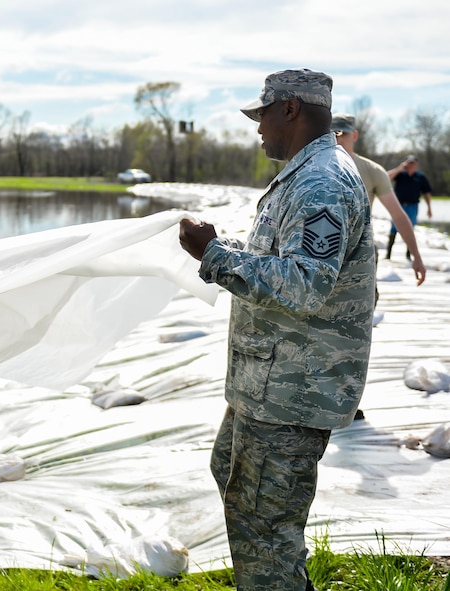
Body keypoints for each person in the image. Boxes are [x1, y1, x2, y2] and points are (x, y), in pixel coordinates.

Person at [178, 69, 375, 591]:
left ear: (290, 109)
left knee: (263, 526)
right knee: (237, 483)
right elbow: (284, 261)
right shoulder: (304, 173)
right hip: (268, 383)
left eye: (261, 114)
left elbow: (305, 284)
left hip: (293, 389)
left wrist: (214, 256)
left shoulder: (323, 182)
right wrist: (229, 249)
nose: (257, 127)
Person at [331, 113, 426, 286]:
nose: (338, 140)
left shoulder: (372, 170)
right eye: (332, 134)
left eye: (342, 134)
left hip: (360, 253)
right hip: (322, 252)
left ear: (354, 135)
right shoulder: (312, 168)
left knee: (363, 309)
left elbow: (398, 215)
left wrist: (416, 257)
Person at [385, 154, 433, 260]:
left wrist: (429, 208)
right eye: (409, 163)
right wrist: (399, 168)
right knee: (393, 228)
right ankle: (388, 255)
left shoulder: (420, 177)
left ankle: (408, 255)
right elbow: (386, 178)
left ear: (416, 165)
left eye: (413, 163)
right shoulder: (400, 174)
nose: (411, 165)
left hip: (413, 206)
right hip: (399, 206)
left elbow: (426, 193)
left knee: (410, 229)